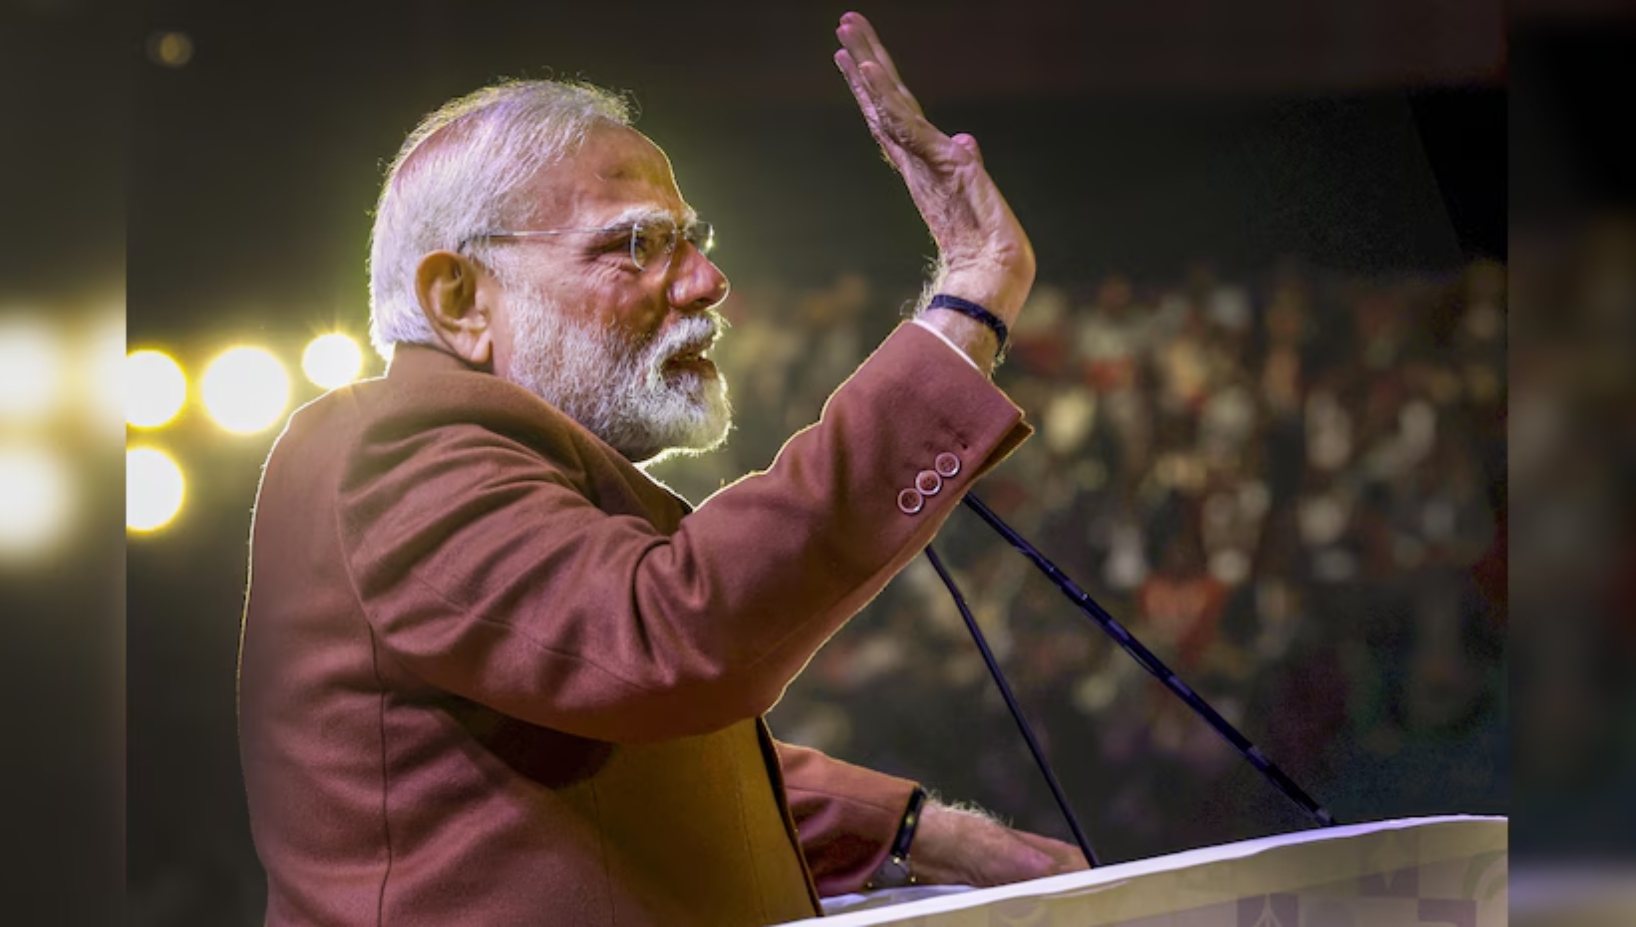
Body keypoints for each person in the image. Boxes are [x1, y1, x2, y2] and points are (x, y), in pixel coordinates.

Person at [238, 13, 1085, 927]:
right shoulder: (389, 444)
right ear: (460, 299)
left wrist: (915, 829)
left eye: (692, 238)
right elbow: (665, 639)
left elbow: (594, 762)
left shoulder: (457, 461)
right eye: (638, 244)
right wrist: (968, 301)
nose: (707, 281)